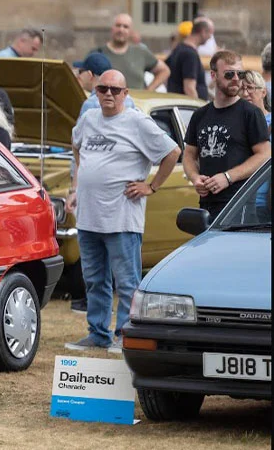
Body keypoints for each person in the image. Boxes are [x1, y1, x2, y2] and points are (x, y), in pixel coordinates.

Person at [63, 70, 181, 354]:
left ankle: (126, 335)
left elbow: (173, 152)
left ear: (125, 93)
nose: (108, 94)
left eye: (115, 90)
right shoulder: (89, 118)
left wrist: (151, 186)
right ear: (95, 90)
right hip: (89, 216)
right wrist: (76, 186)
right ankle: (98, 333)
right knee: (94, 279)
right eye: (103, 88)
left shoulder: (137, 122)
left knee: (127, 281)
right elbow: (76, 145)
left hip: (122, 216)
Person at [182, 50, 273, 220]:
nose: (236, 79)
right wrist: (195, 178)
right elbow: (189, 154)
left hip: (239, 204)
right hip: (207, 204)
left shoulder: (250, 113)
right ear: (213, 75)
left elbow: (265, 154)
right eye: (229, 74)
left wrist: (228, 177)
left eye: (240, 74)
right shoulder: (200, 115)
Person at [90, 14, 169, 91]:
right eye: (118, 25)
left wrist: (148, 91)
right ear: (112, 28)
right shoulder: (97, 54)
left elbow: (164, 71)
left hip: (138, 103)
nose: (121, 30)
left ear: (131, 31)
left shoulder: (141, 52)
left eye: (125, 27)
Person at [74, 52, 136, 117]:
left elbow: (83, 127)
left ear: (90, 74)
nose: (79, 75)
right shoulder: (128, 100)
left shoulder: (90, 104)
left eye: (80, 71)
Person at [165, 19, 211, 100]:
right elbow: (189, 88)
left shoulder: (178, 49)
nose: (210, 37)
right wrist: (199, 109)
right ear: (203, 32)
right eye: (210, 33)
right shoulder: (190, 54)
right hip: (185, 107)